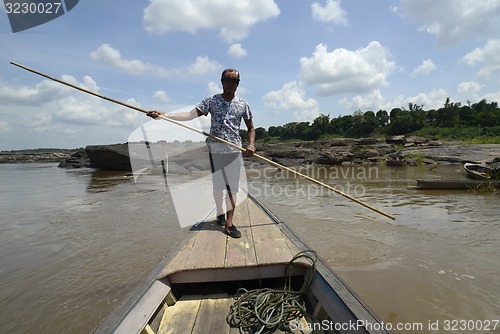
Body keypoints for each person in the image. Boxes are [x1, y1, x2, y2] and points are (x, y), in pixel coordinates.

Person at [147, 68, 255, 238]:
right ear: (222, 81)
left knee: (231, 188)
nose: (231, 83)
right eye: (228, 80)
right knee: (218, 187)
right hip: (215, 150)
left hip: (234, 151)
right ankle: (220, 212)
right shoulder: (211, 101)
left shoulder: (243, 104)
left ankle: (229, 223)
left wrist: (251, 145)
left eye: (234, 81)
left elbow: (251, 128)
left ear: (238, 84)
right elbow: (190, 115)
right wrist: (164, 115)